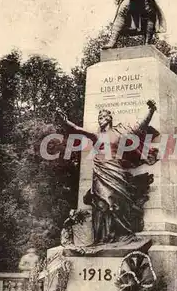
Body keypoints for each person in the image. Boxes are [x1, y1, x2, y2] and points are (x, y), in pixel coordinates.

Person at [56, 100, 158, 244]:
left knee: (117, 203)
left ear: (109, 119)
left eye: (103, 117)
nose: (100, 119)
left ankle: (123, 233)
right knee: (101, 205)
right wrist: (66, 122)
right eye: (99, 117)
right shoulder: (96, 135)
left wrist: (151, 111)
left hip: (115, 170)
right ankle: (103, 237)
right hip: (100, 171)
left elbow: (141, 127)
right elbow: (78, 130)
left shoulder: (120, 133)